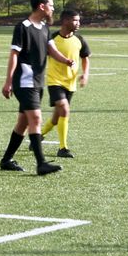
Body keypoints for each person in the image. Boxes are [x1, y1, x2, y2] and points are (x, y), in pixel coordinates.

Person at [0, 0, 75, 175]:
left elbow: (51, 50)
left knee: (23, 123)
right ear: (42, 6)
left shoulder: (44, 28)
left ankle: (6, 160)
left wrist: (65, 60)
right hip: (24, 82)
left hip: (38, 81)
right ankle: (41, 163)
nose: (53, 10)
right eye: (51, 6)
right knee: (36, 118)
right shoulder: (22, 27)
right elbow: (14, 54)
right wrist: (8, 81)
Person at [40, 9, 91, 158]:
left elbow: (85, 57)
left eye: (79, 20)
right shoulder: (52, 38)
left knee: (57, 118)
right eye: (75, 20)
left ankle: (38, 136)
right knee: (64, 108)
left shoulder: (79, 40)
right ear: (65, 21)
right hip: (54, 81)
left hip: (71, 82)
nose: (78, 23)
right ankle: (63, 148)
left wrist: (85, 74)